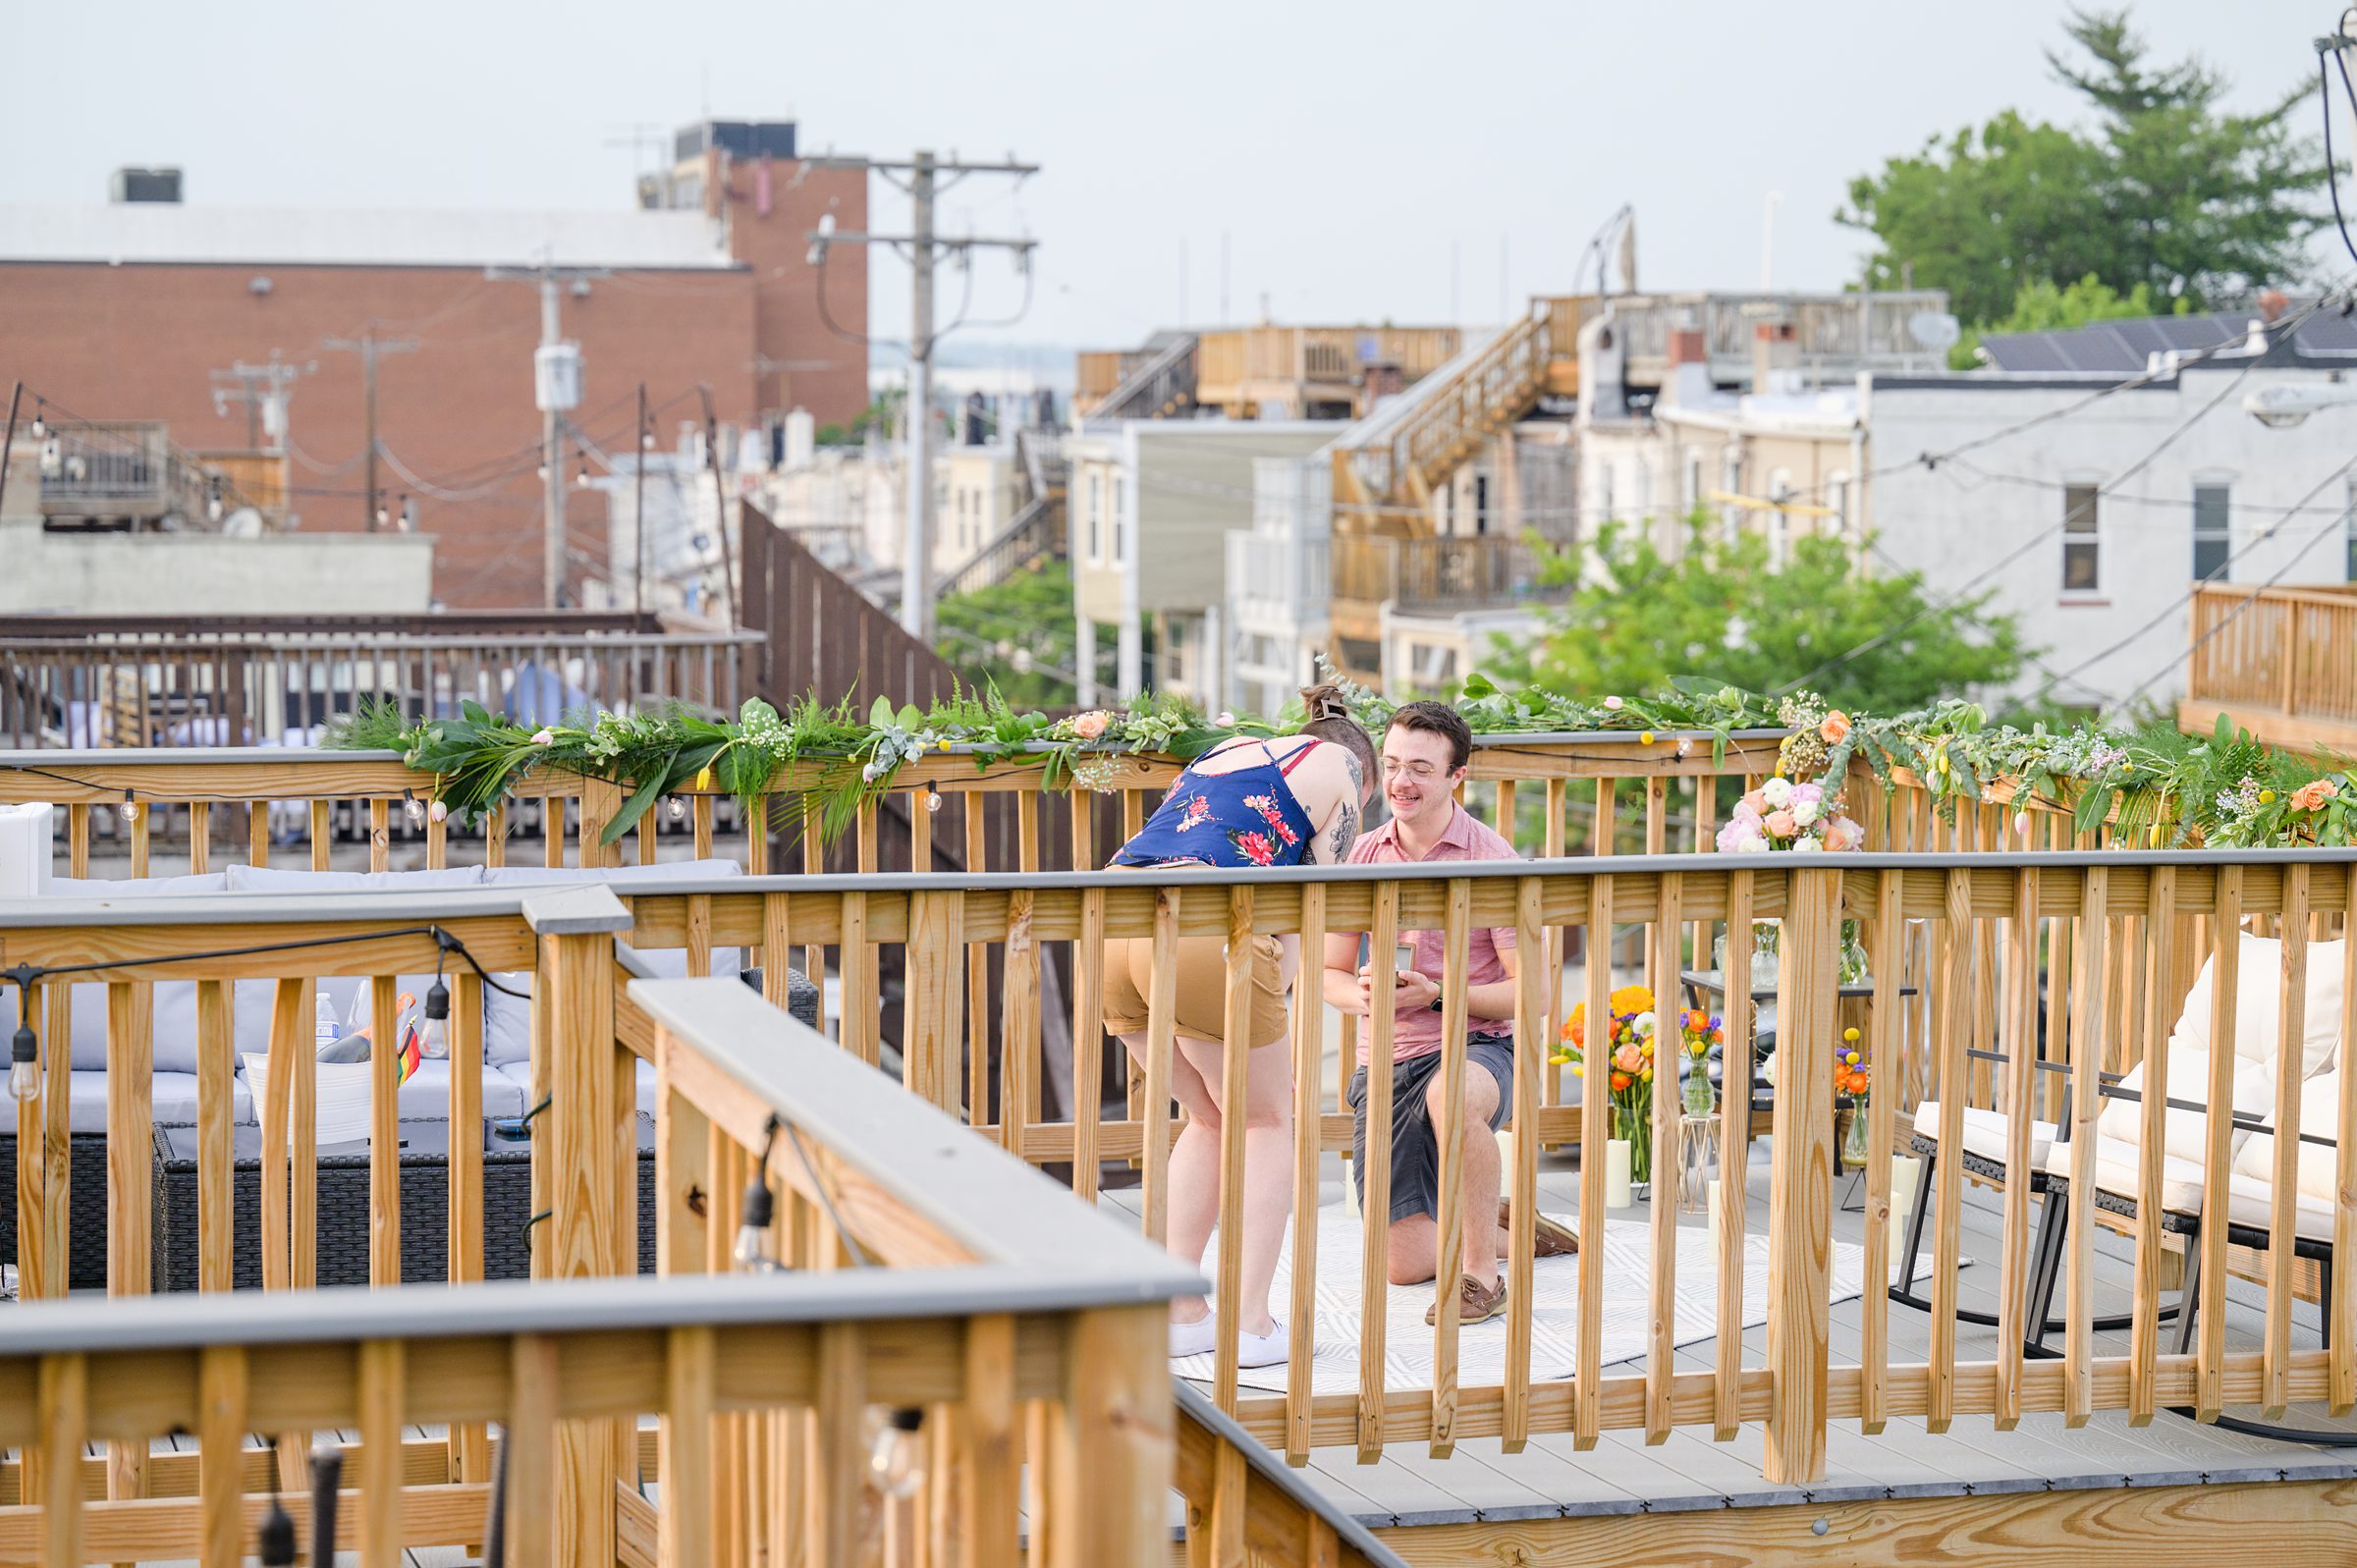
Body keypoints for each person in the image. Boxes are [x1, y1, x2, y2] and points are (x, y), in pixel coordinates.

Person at [1099, 684, 1379, 1364]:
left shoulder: (1228, 750)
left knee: (1213, 1118)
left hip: (1114, 923)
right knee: (1267, 1119)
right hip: (1206, 928)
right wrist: (1273, 993)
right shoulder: (1340, 769)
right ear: (1363, 772)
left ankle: (1179, 1308)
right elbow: (1318, 900)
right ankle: (1250, 1324)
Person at [1322, 700, 1578, 1329]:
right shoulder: (1362, 856)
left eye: (1420, 769)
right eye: (1391, 767)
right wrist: (1369, 996)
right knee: (1403, 1265)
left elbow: (1535, 996)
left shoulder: (1492, 861)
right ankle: (1499, 1221)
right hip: (1389, 1055)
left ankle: (1481, 1279)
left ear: (1456, 777)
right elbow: (1328, 974)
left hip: (1480, 1048)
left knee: (1450, 1095)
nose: (1401, 783)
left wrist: (1435, 995)